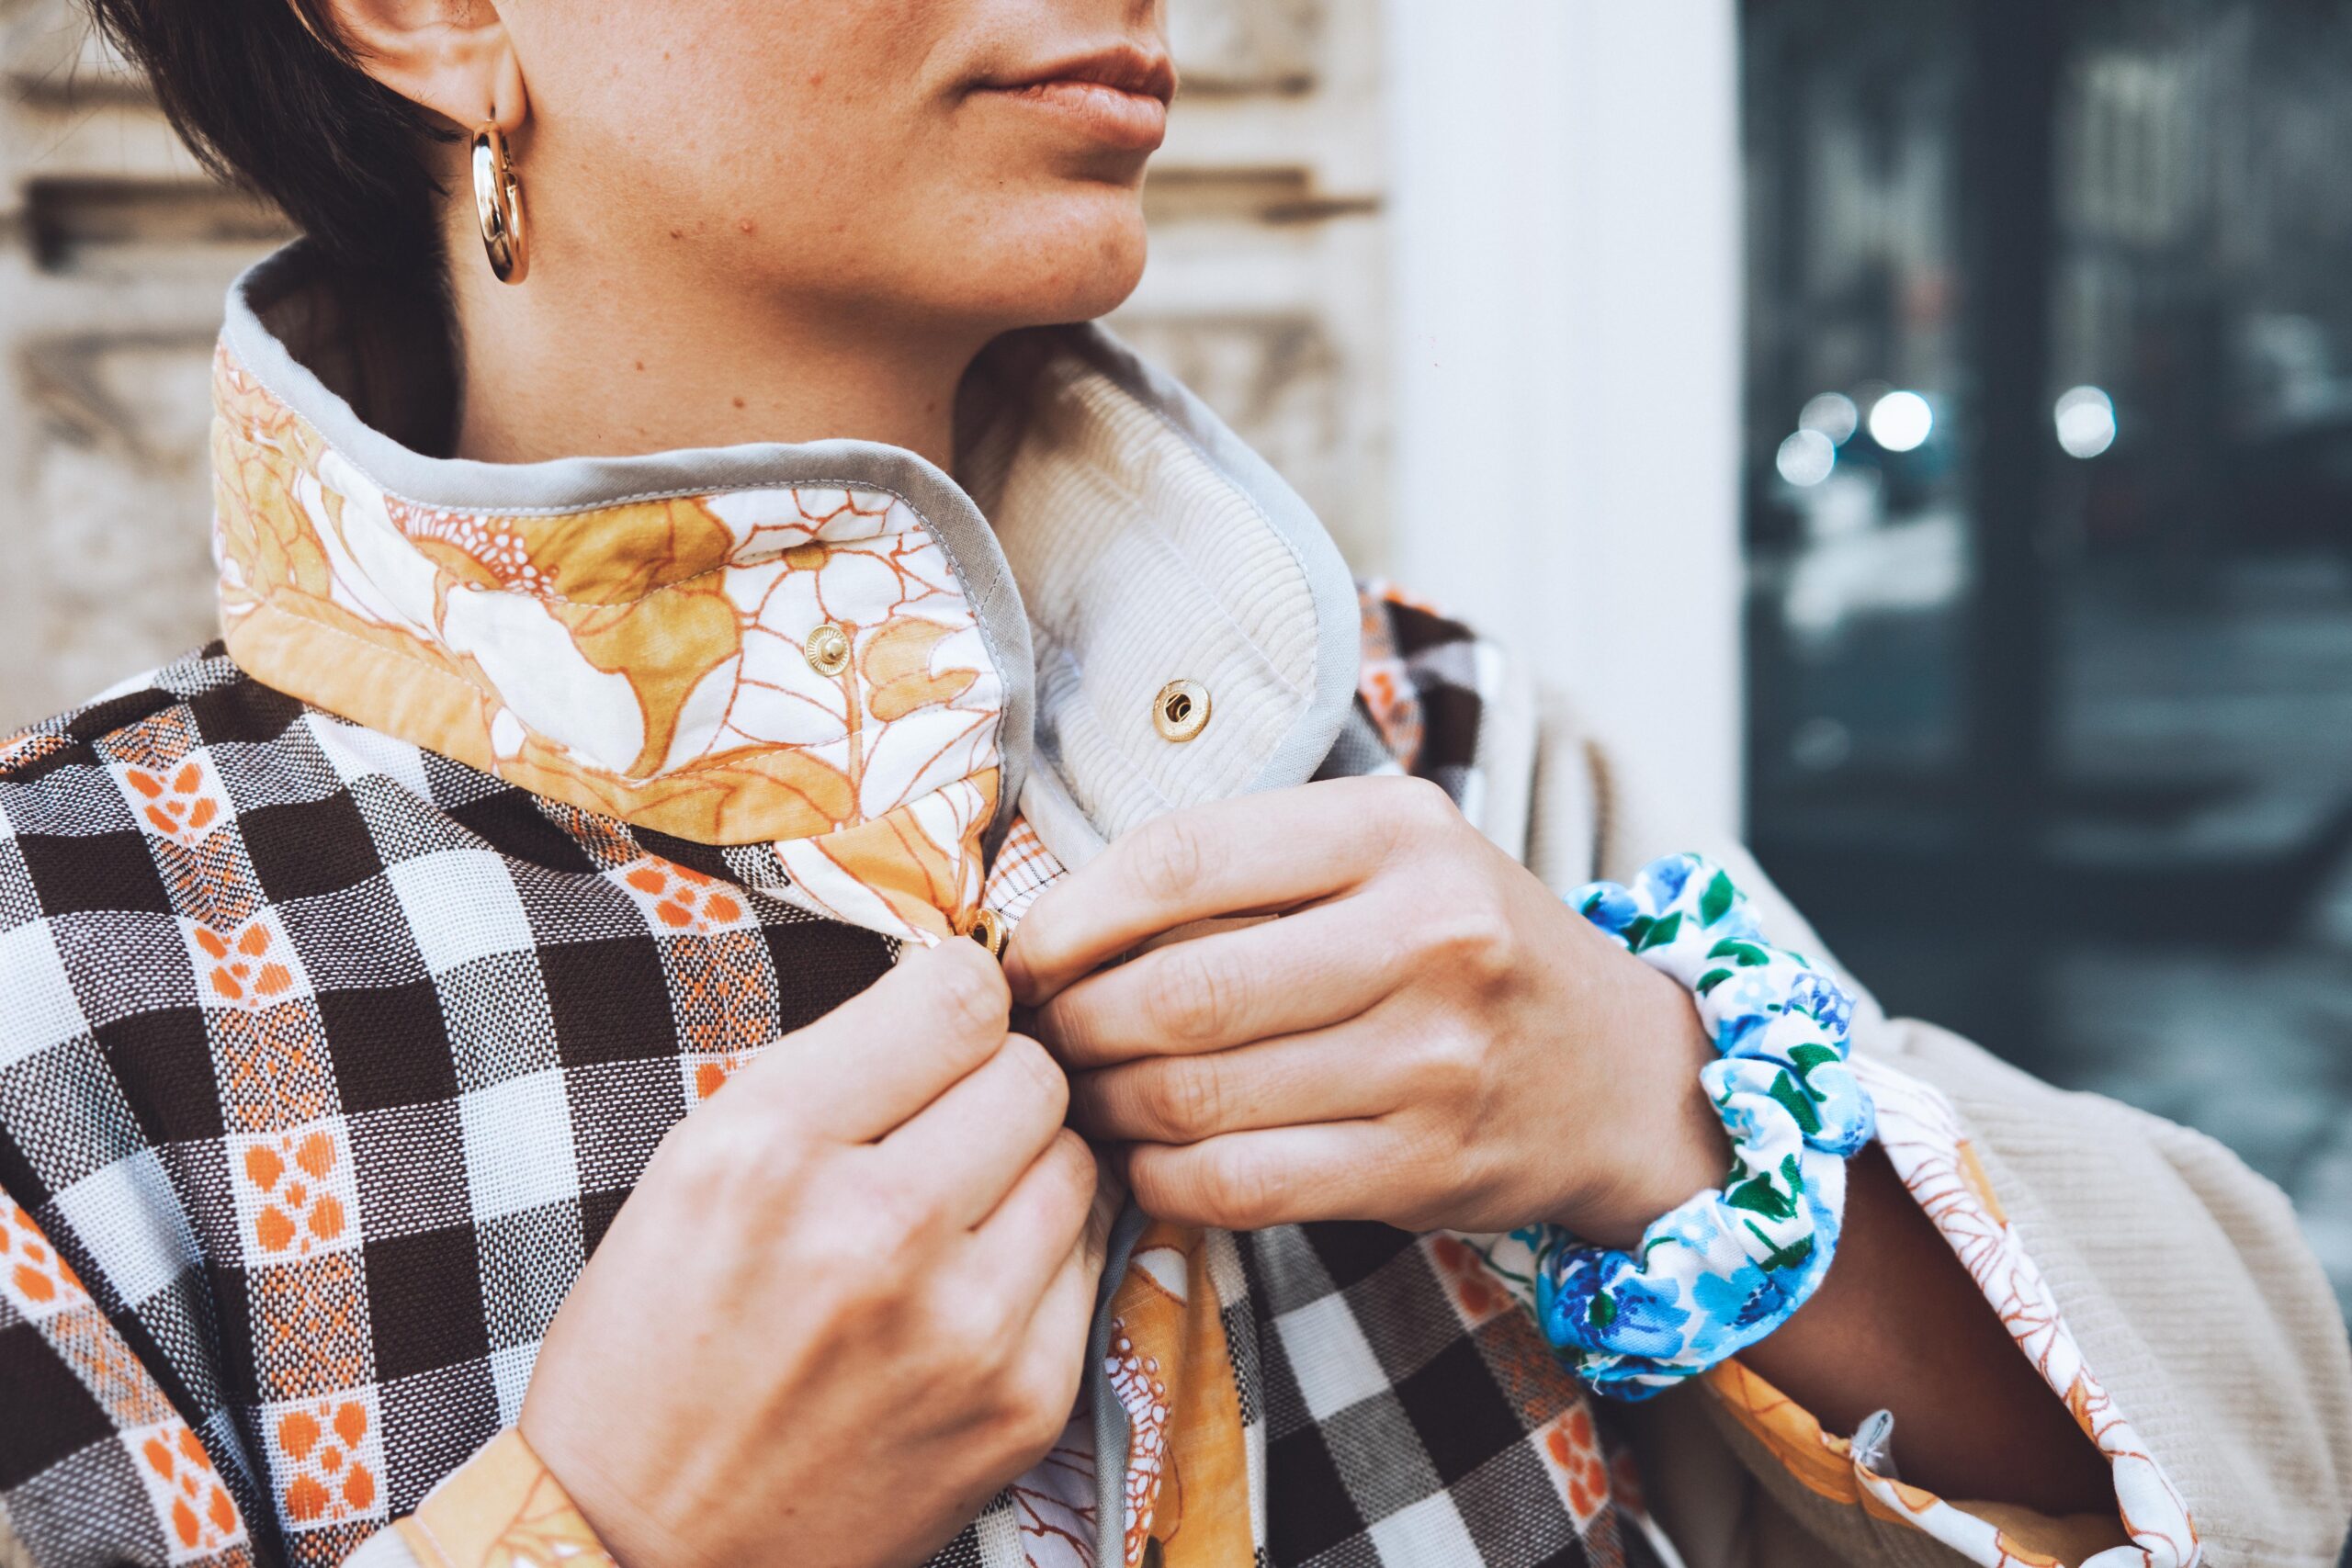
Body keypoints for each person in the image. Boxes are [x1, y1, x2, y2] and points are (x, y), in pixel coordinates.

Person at [0, 2, 2343, 1565]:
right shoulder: (68, 993)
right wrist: (608, 1523)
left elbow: (2261, 1459)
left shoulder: (1437, 759)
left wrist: (1667, 1115)